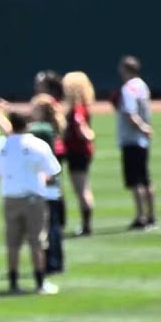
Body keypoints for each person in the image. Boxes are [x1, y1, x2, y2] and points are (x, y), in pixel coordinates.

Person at [0, 105, 61, 295]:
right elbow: (53, 171)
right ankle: (40, 282)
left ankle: (13, 282)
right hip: (33, 198)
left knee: (12, 243)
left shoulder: (0, 145)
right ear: (27, 124)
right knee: (37, 242)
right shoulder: (37, 144)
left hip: (10, 197)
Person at [116, 55, 156, 229]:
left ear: (126, 70)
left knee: (136, 181)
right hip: (143, 141)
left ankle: (141, 217)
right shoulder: (143, 85)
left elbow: (130, 114)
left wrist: (142, 127)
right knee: (146, 179)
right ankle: (152, 215)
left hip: (131, 139)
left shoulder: (128, 88)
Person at [28, 95, 66, 275]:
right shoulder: (50, 127)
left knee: (49, 228)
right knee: (54, 227)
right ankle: (56, 261)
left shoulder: (41, 129)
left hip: (46, 187)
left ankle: (51, 262)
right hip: (53, 187)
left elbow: (17, 131)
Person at [61, 72, 96, 236]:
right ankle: (86, 224)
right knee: (83, 188)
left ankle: (86, 225)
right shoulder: (84, 106)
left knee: (81, 189)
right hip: (82, 151)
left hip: (77, 151)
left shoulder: (77, 109)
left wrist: (87, 134)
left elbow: (80, 126)